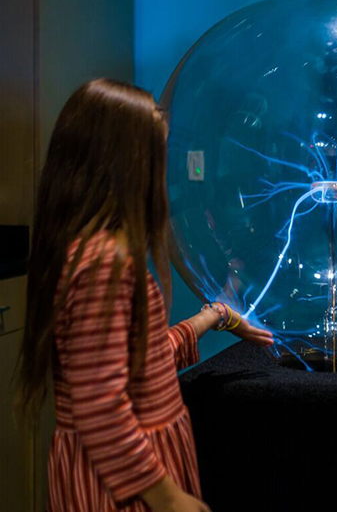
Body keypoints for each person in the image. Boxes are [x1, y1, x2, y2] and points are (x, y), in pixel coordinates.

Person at [15, 79, 273, 512]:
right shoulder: (104, 265)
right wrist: (168, 498)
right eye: (159, 156)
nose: (166, 172)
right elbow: (100, 409)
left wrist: (218, 315)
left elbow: (141, 361)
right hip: (124, 488)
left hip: (126, 477)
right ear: (124, 164)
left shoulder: (95, 252)